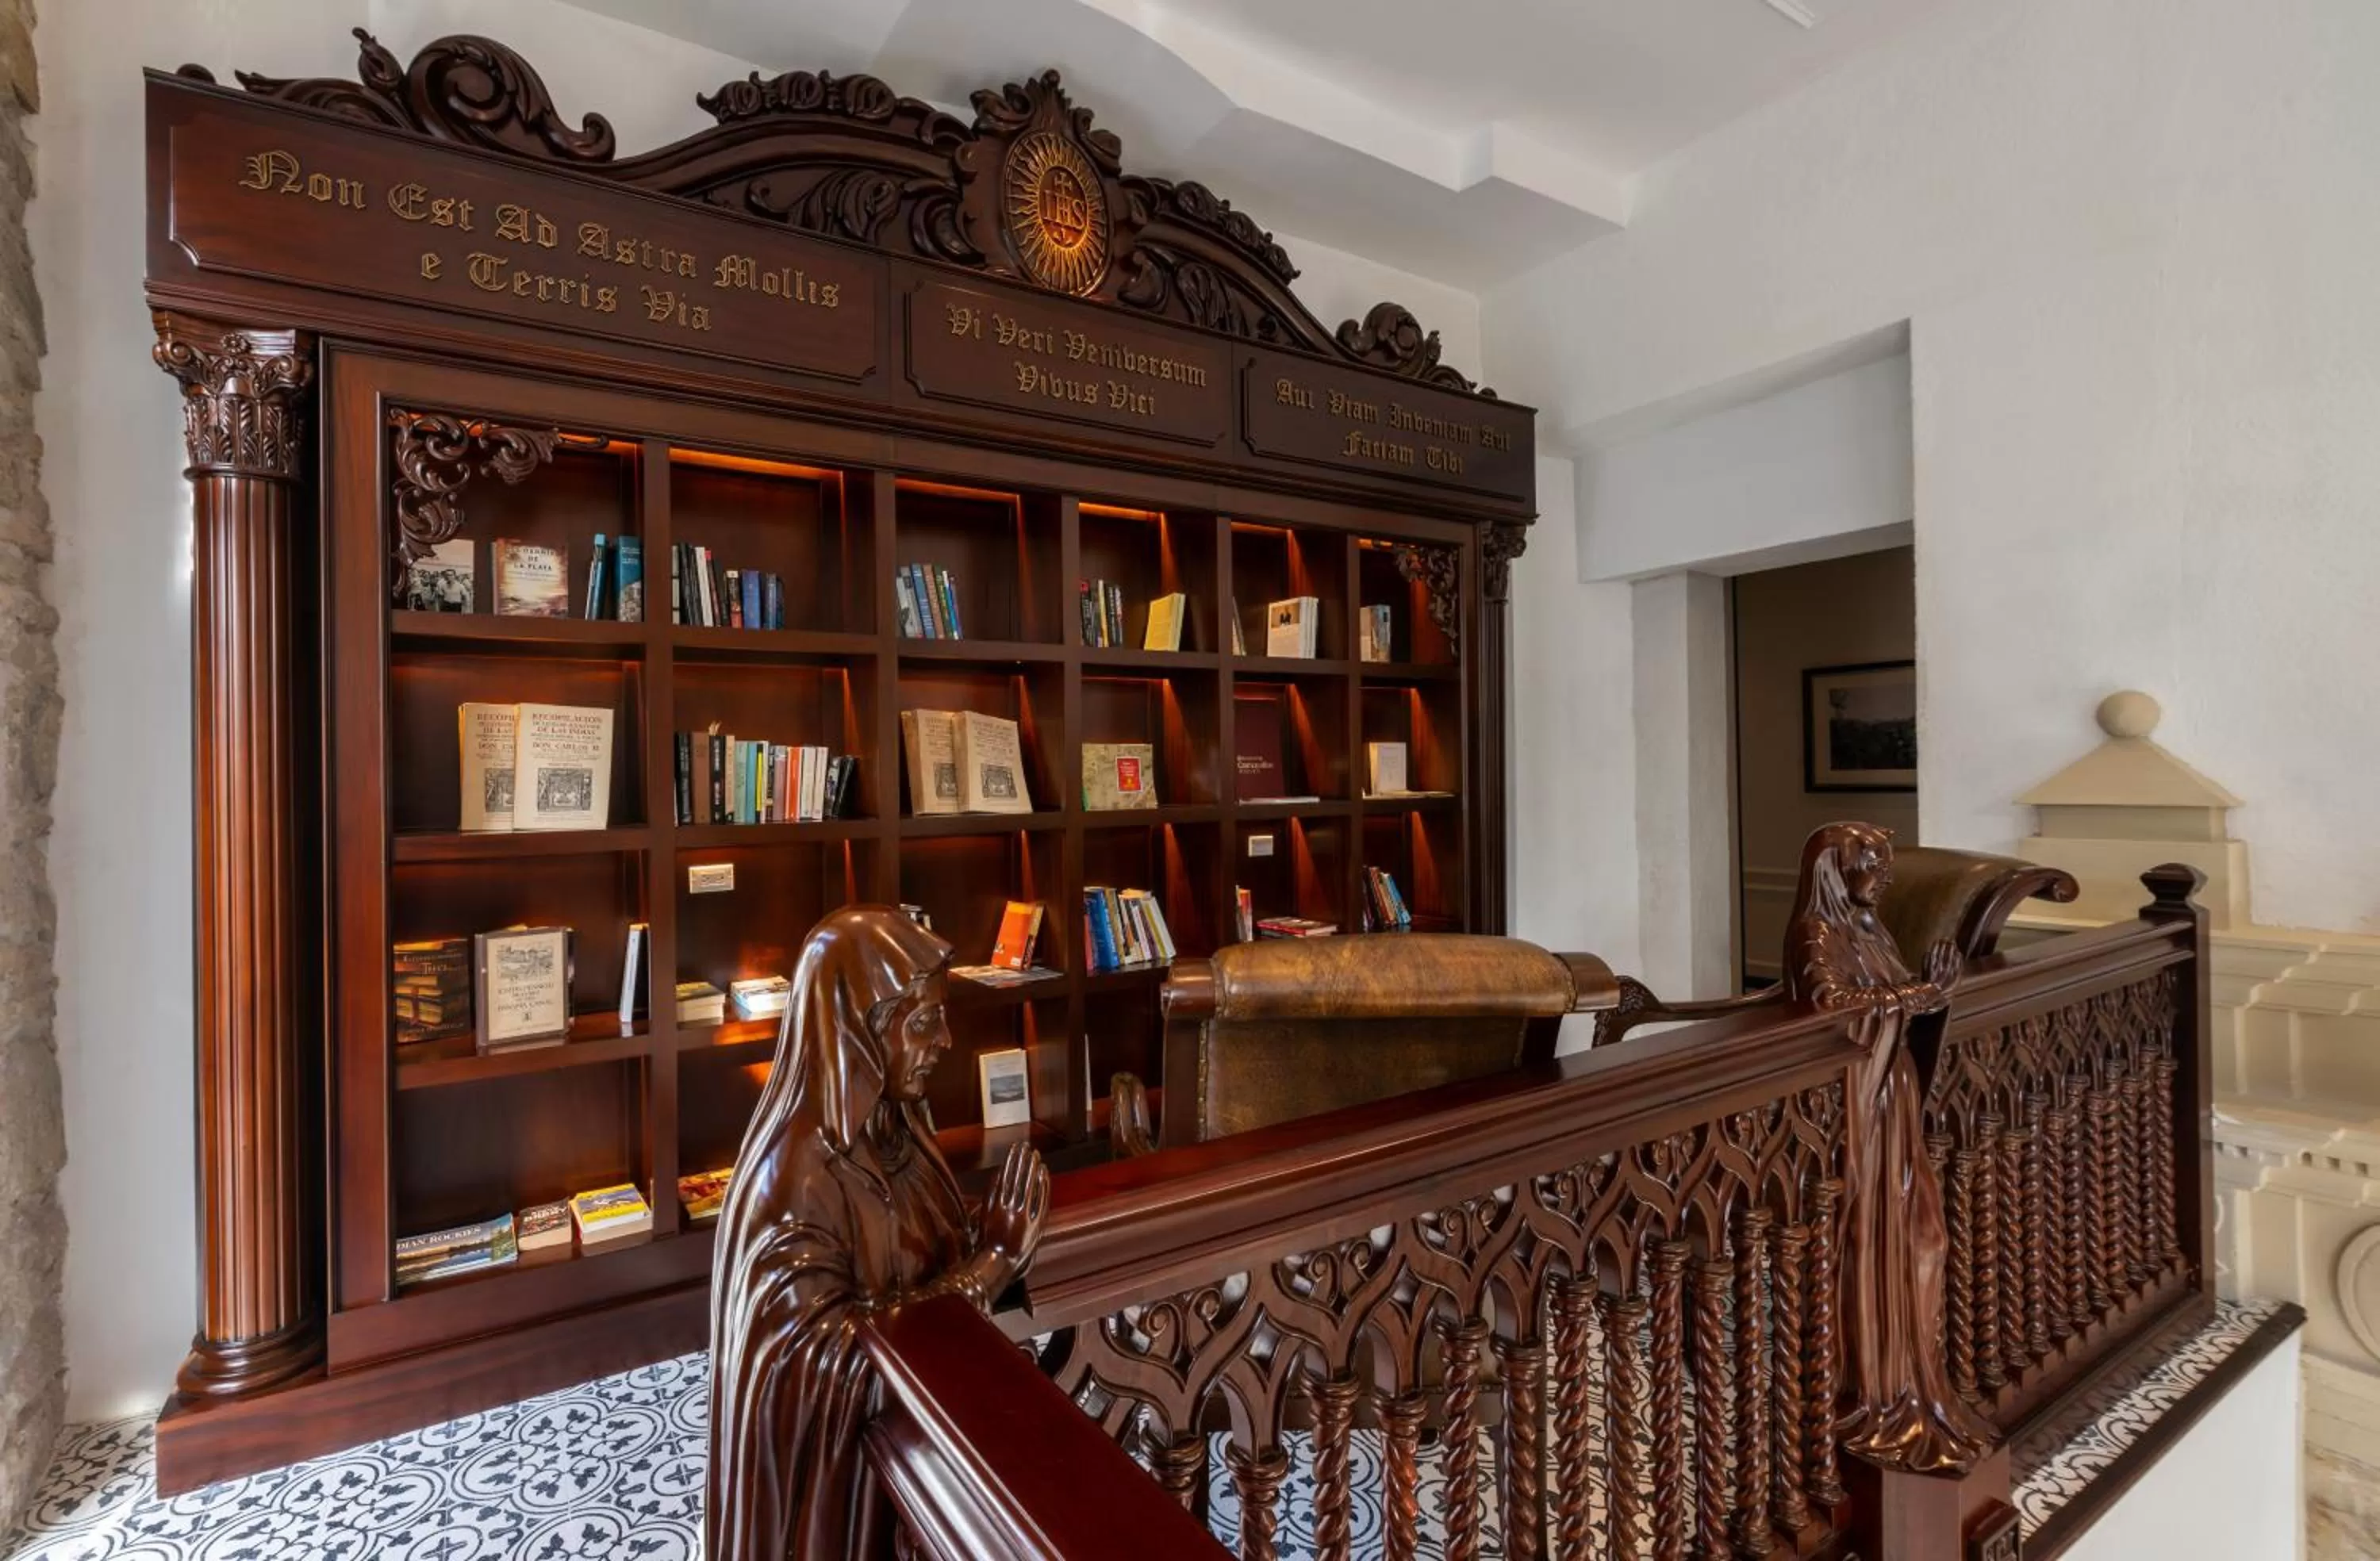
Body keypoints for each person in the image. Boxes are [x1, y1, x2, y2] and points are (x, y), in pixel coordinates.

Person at [707, 906, 1050, 1560]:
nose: (945, 1040)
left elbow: (910, 1249)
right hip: (835, 1509)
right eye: (921, 1023)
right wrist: (991, 1266)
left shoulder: (895, 1124)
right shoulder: (795, 1182)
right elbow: (829, 1369)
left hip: (916, 1468)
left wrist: (976, 1233)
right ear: (857, 1034)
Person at [1785, 822, 1992, 1475]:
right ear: (1836, 869)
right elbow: (1832, 1007)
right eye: (1872, 864)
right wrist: (1919, 994)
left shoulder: (1868, 929)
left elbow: (1896, 998)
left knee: (1927, 1236)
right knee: (1879, 1238)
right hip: (1864, 1107)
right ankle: (1876, 1391)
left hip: (1892, 1093)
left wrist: (1931, 994)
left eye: (1886, 865)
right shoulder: (1817, 933)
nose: (1885, 876)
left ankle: (1917, 1381)